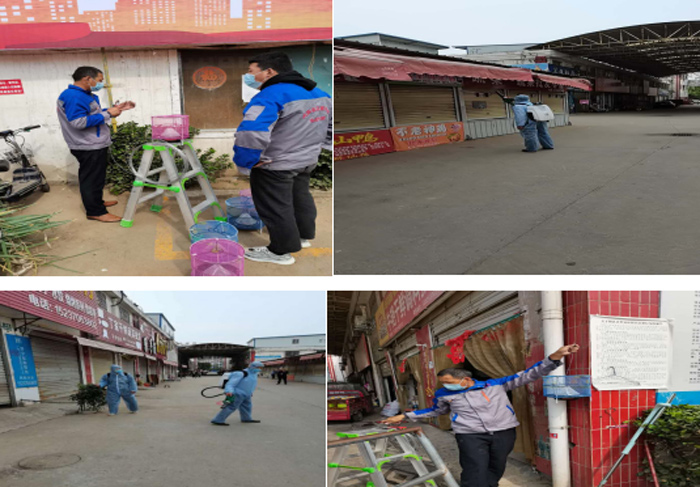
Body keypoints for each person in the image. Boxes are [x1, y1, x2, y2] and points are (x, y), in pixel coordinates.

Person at [382, 344, 581, 487]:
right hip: (470, 435)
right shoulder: (443, 394)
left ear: (466, 379)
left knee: (497, 465)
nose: (444, 385)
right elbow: (437, 410)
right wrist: (406, 416)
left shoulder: (494, 384)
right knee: (473, 468)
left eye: (448, 382)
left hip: (503, 432)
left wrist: (554, 357)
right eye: (442, 382)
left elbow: (529, 374)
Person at [233, 52, 332, 266]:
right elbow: (330, 126)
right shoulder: (319, 92)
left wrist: (245, 162)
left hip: (275, 164)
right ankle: (303, 237)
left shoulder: (270, 95)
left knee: (275, 206)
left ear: (269, 71)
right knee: (300, 197)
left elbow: (251, 132)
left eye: (252, 72)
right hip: (306, 160)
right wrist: (319, 148)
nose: (249, 76)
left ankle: (280, 251)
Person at [57, 66, 136, 222]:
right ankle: (96, 212)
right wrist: (108, 114)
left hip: (93, 143)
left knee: (97, 177)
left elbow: (91, 115)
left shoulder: (84, 95)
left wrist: (114, 109)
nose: (101, 84)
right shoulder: (74, 96)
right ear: (88, 78)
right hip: (87, 145)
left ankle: (97, 203)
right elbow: (78, 122)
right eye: (99, 80)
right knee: (91, 179)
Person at [211, 361, 264, 426]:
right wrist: (229, 391)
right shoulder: (240, 373)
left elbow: (250, 385)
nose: (259, 369)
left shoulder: (254, 374)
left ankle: (246, 418)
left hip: (247, 394)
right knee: (231, 407)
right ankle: (218, 420)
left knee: (247, 407)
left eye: (261, 368)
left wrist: (250, 392)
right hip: (237, 394)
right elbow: (230, 384)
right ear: (252, 366)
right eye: (258, 367)